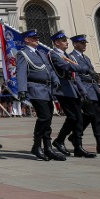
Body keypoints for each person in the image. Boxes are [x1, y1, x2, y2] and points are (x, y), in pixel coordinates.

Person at [16, 29, 65, 161]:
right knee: (44, 117)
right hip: (35, 88)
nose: (37, 40)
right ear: (27, 40)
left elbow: (49, 69)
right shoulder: (23, 54)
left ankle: (48, 148)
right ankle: (37, 145)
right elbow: (20, 72)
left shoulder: (42, 53)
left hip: (47, 89)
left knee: (48, 119)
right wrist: (22, 89)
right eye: (34, 38)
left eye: (37, 38)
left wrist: (55, 79)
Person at [68, 34, 100, 154]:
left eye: (85, 43)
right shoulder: (72, 58)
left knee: (97, 118)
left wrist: (97, 82)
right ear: (75, 44)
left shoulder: (86, 58)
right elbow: (76, 77)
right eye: (82, 43)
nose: (84, 45)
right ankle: (75, 136)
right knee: (88, 115)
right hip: (84, 89)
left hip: (93, 89)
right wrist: (83, 92)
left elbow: (92, 74)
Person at [49, 30, 95, 158]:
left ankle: (73, 145)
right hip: (62, 90)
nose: (66, 43)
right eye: (64, 41)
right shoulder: (54, 55)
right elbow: (66, 67)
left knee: (78, 118)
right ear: (57, 43)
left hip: (72, 89)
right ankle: (62, 140)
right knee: (75, 117)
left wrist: (83, 91)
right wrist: (85, 69)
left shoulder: (66, 55)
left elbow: (75, 77)